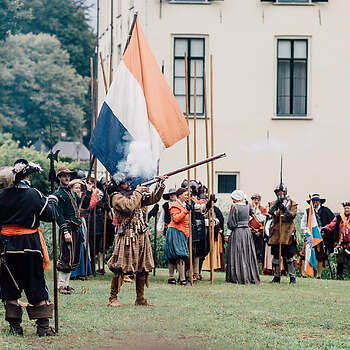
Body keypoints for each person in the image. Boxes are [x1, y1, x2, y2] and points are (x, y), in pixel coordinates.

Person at [0, 159, 58, 336]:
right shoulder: (33, 194)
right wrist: (53, 200)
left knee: (9, 287)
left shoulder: (1, 195)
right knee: (36, 284)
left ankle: (15, 327)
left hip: (5, 248)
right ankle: (43, 327)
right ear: (25, 177)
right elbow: (51, 215)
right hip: (30, 247)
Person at [106, 174, 166, 307]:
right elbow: (129, 206)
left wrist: (160, 185)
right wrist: (138, 191)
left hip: (141, 234)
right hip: (127, 235)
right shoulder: (116, 197)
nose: (128, 184)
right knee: (119, 267)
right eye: (125, 182)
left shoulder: (134, 194)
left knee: (142, 267)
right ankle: (113, 297)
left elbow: (152, 199)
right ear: (118, 185)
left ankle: (140, 298)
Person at [55, 167, 91, 294]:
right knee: (66, 256)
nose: (67, 178)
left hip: (76, 228)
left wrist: (89, 191)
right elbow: (59, 215)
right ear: (59, 177)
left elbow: (84, 205)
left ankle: (67, 284)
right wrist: (65, 231)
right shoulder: (58, 195)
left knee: (73, 257)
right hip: (68, 228)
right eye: (64, 175)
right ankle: (61, 285)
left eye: (68, 176)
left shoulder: (71, 192)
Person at [225, 190, 260, 284]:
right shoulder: (248, 205)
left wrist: (228, 233)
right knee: (247, 253)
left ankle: (237, 276)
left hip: (237, 232)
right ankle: (248, 275)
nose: (232, 201)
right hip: (247, 232)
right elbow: (253, 215)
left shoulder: (234, 207)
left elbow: (231, 222)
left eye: (233, 199)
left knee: (237, 253)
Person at [268, 184, 298, 284]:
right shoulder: (273, 202)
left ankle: (292, 277)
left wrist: (284, 209)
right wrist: (277, 205)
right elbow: (271, 212)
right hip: (277, 231)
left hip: (288, 231)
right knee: (276, 256)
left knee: (289, 256)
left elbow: (292, 215)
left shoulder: (292, 203)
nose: (280, 193)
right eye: (278, 192)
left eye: (281, 192)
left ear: (285, 192)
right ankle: (276, 276)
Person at [300, 194, 334, 278]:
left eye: (317, 201)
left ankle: (318, 275)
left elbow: (333, 221)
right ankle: (303, 274)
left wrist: (324, 229)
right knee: (304, 255)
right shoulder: (308, 211)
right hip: (309, 236)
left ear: (320, 202)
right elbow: (303, 223)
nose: (315, 202)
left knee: (320, 256)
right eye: (313, 201)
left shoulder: (326, 211)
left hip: (321, 237)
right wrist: (306, 232)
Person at [164, 188, 190, 285]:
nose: (187, 197)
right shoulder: (175, 205)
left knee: (180, 255)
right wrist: (186, 211)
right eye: (185, 195)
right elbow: (176, 219)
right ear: (180, 196)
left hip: (182, 232)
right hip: (175, 231)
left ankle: (179, 278)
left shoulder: (184, 205)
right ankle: (178, 278)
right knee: (178, 255)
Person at [69, 179, 93, 280]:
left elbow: (86, 205)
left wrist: (88, 191)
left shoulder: (81, 198)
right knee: (72, 247)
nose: (78, 190)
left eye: (79, 188)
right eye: (76, 188)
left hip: (80, 224)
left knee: (81, 246)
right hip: (70, 224)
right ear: (72, 188)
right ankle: (72, 273)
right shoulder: (69, 197)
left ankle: (81, 272)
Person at [323, 202, 350, 280]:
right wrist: (323, 229)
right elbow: (331, 225)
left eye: (348, 208)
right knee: (340, 261)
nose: (347, 209)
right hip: (340, 244)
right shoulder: (339, 218)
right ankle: (339, 277)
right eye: (345, 208)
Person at [157, 188, 177, 283]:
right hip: (168, 231)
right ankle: (171, 275)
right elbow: (162, 217)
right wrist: (159, 228)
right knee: (170, 253)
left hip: (179, 231)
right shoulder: (165, 206)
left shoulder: (180, 205)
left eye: (174, 194)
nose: (172, 196)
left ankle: (182, 275)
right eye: (171, 194)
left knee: (179, 253)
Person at [249, 194, 268, 264]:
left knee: (258, 251)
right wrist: (253, 210)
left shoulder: (262, 209)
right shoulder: (249, 208)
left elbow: (262, 219)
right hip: (251, 232)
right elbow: (248, 218)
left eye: (258, 200)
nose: (256, 201)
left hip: (259, 233)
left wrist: (256, 210)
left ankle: (257, 266)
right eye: (254, 199)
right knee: (250, 250)